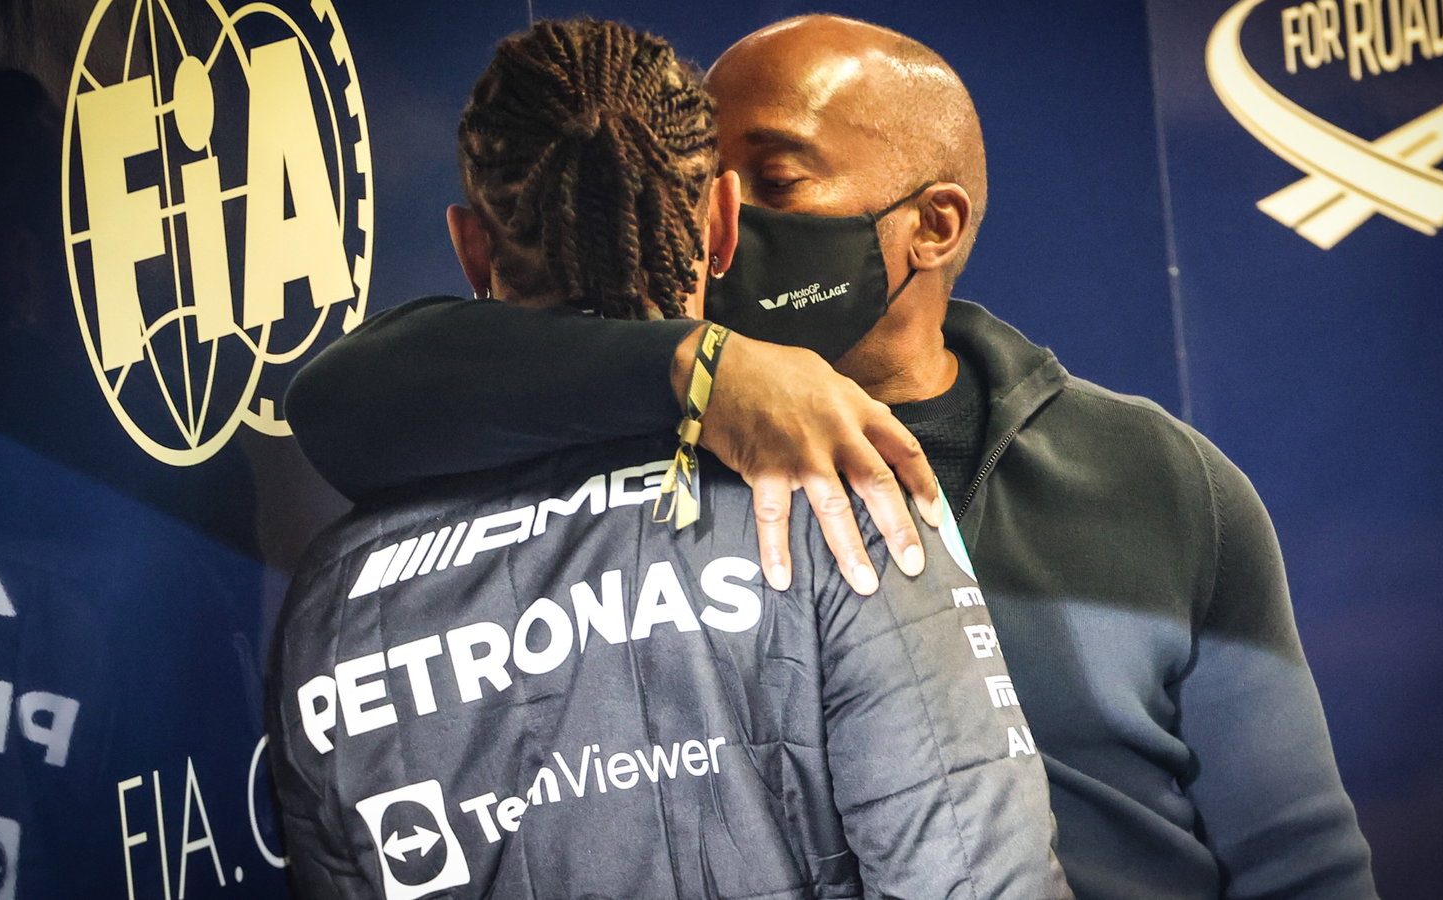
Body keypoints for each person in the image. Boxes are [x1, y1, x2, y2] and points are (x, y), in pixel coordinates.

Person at [286, 13, 1380, 899]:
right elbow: (346, 393)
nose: (716, 218)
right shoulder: (637, 436)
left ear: (932, 225)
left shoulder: (1156, 476)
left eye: (778, 179)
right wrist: (696, 366)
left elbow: (1300, 858)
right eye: (704, 178)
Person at [266, 17, 1068, 900]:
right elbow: (978, 880)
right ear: (722, 223)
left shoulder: (332, 597)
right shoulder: (838, 493)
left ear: (470, 247)